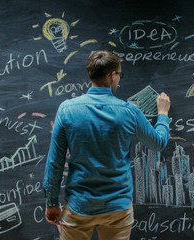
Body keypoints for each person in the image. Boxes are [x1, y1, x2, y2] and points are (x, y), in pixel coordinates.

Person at [43, 50, 171, 240]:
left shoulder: (67, 109)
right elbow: (159, 143)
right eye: (119, 74)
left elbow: (55, 162)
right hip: (117, 208)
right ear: (112, 76)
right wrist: (162, 113)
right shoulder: (130, 112)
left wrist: (52, 202)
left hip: (79, 205)